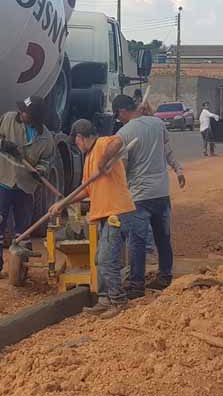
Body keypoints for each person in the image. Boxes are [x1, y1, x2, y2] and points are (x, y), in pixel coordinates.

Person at [49, 119, 136, 320]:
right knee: (99, 259)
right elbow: (87, 189)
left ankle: (118, 301)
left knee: (107, 259)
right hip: (105, 214)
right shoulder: (88, 157)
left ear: (80, 137)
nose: (77, 145)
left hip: (117, 212)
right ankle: (104, 299)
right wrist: (62, 203)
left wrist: (104, 161)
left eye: (77, 141)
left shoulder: (102, 144)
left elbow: (119, 142)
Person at [112, 94, 185, 298]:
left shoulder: (124, 132)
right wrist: (178, 170)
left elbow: (123, 167)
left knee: (137, 241)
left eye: (118, 115)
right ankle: (165, 276)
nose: (119, 119)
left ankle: (136, 286)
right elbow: (167, 151)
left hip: (139, 195)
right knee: (163, 237)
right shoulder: (158, 123)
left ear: (122, 112)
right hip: (161, 192)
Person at [0, 96, 56, 280]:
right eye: (22, 110)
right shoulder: (8, 119)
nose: (21, 113)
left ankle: (22, 268)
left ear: (35, 117)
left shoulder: (46, 139)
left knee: (23, 229)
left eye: (26, 112)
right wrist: (2, 143)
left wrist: (39, 171)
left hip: (25, 186)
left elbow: (46, 161)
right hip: (3, 180)